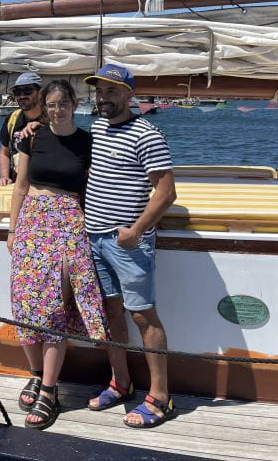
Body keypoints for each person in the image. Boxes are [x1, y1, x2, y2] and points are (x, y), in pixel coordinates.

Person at [7, 79, 107, 430]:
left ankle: (50, 389)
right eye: (50, 104)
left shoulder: (87, 141)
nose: (56, 109)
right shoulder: (31, 135)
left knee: (53, 308)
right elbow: (20, 186)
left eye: (62, 103)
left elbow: (95, 186)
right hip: (32, 220)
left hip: (68, 223)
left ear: (74, 103)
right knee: (23, 303)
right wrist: (12, 229)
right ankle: (36, 374)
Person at [82, 64, 178, 428]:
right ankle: (120, 383)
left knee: (143, 315)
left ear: (129, 94)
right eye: (99, 91)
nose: (103, 97)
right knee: (111, 313)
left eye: (111, 91)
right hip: (95, 238)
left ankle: (160, 398)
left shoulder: (146, 134)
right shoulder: (99, 128)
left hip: (127, 243)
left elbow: (166, 193)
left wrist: (136, 230)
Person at [0, 71, 45, 186]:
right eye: (17, 92)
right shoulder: (12, 119)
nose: (22, 96)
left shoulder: (52, 119)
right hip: (17, 186)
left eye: (27, 91)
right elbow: (4, 153)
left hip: (44, 188)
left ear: (41, 92)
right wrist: (5, 177)